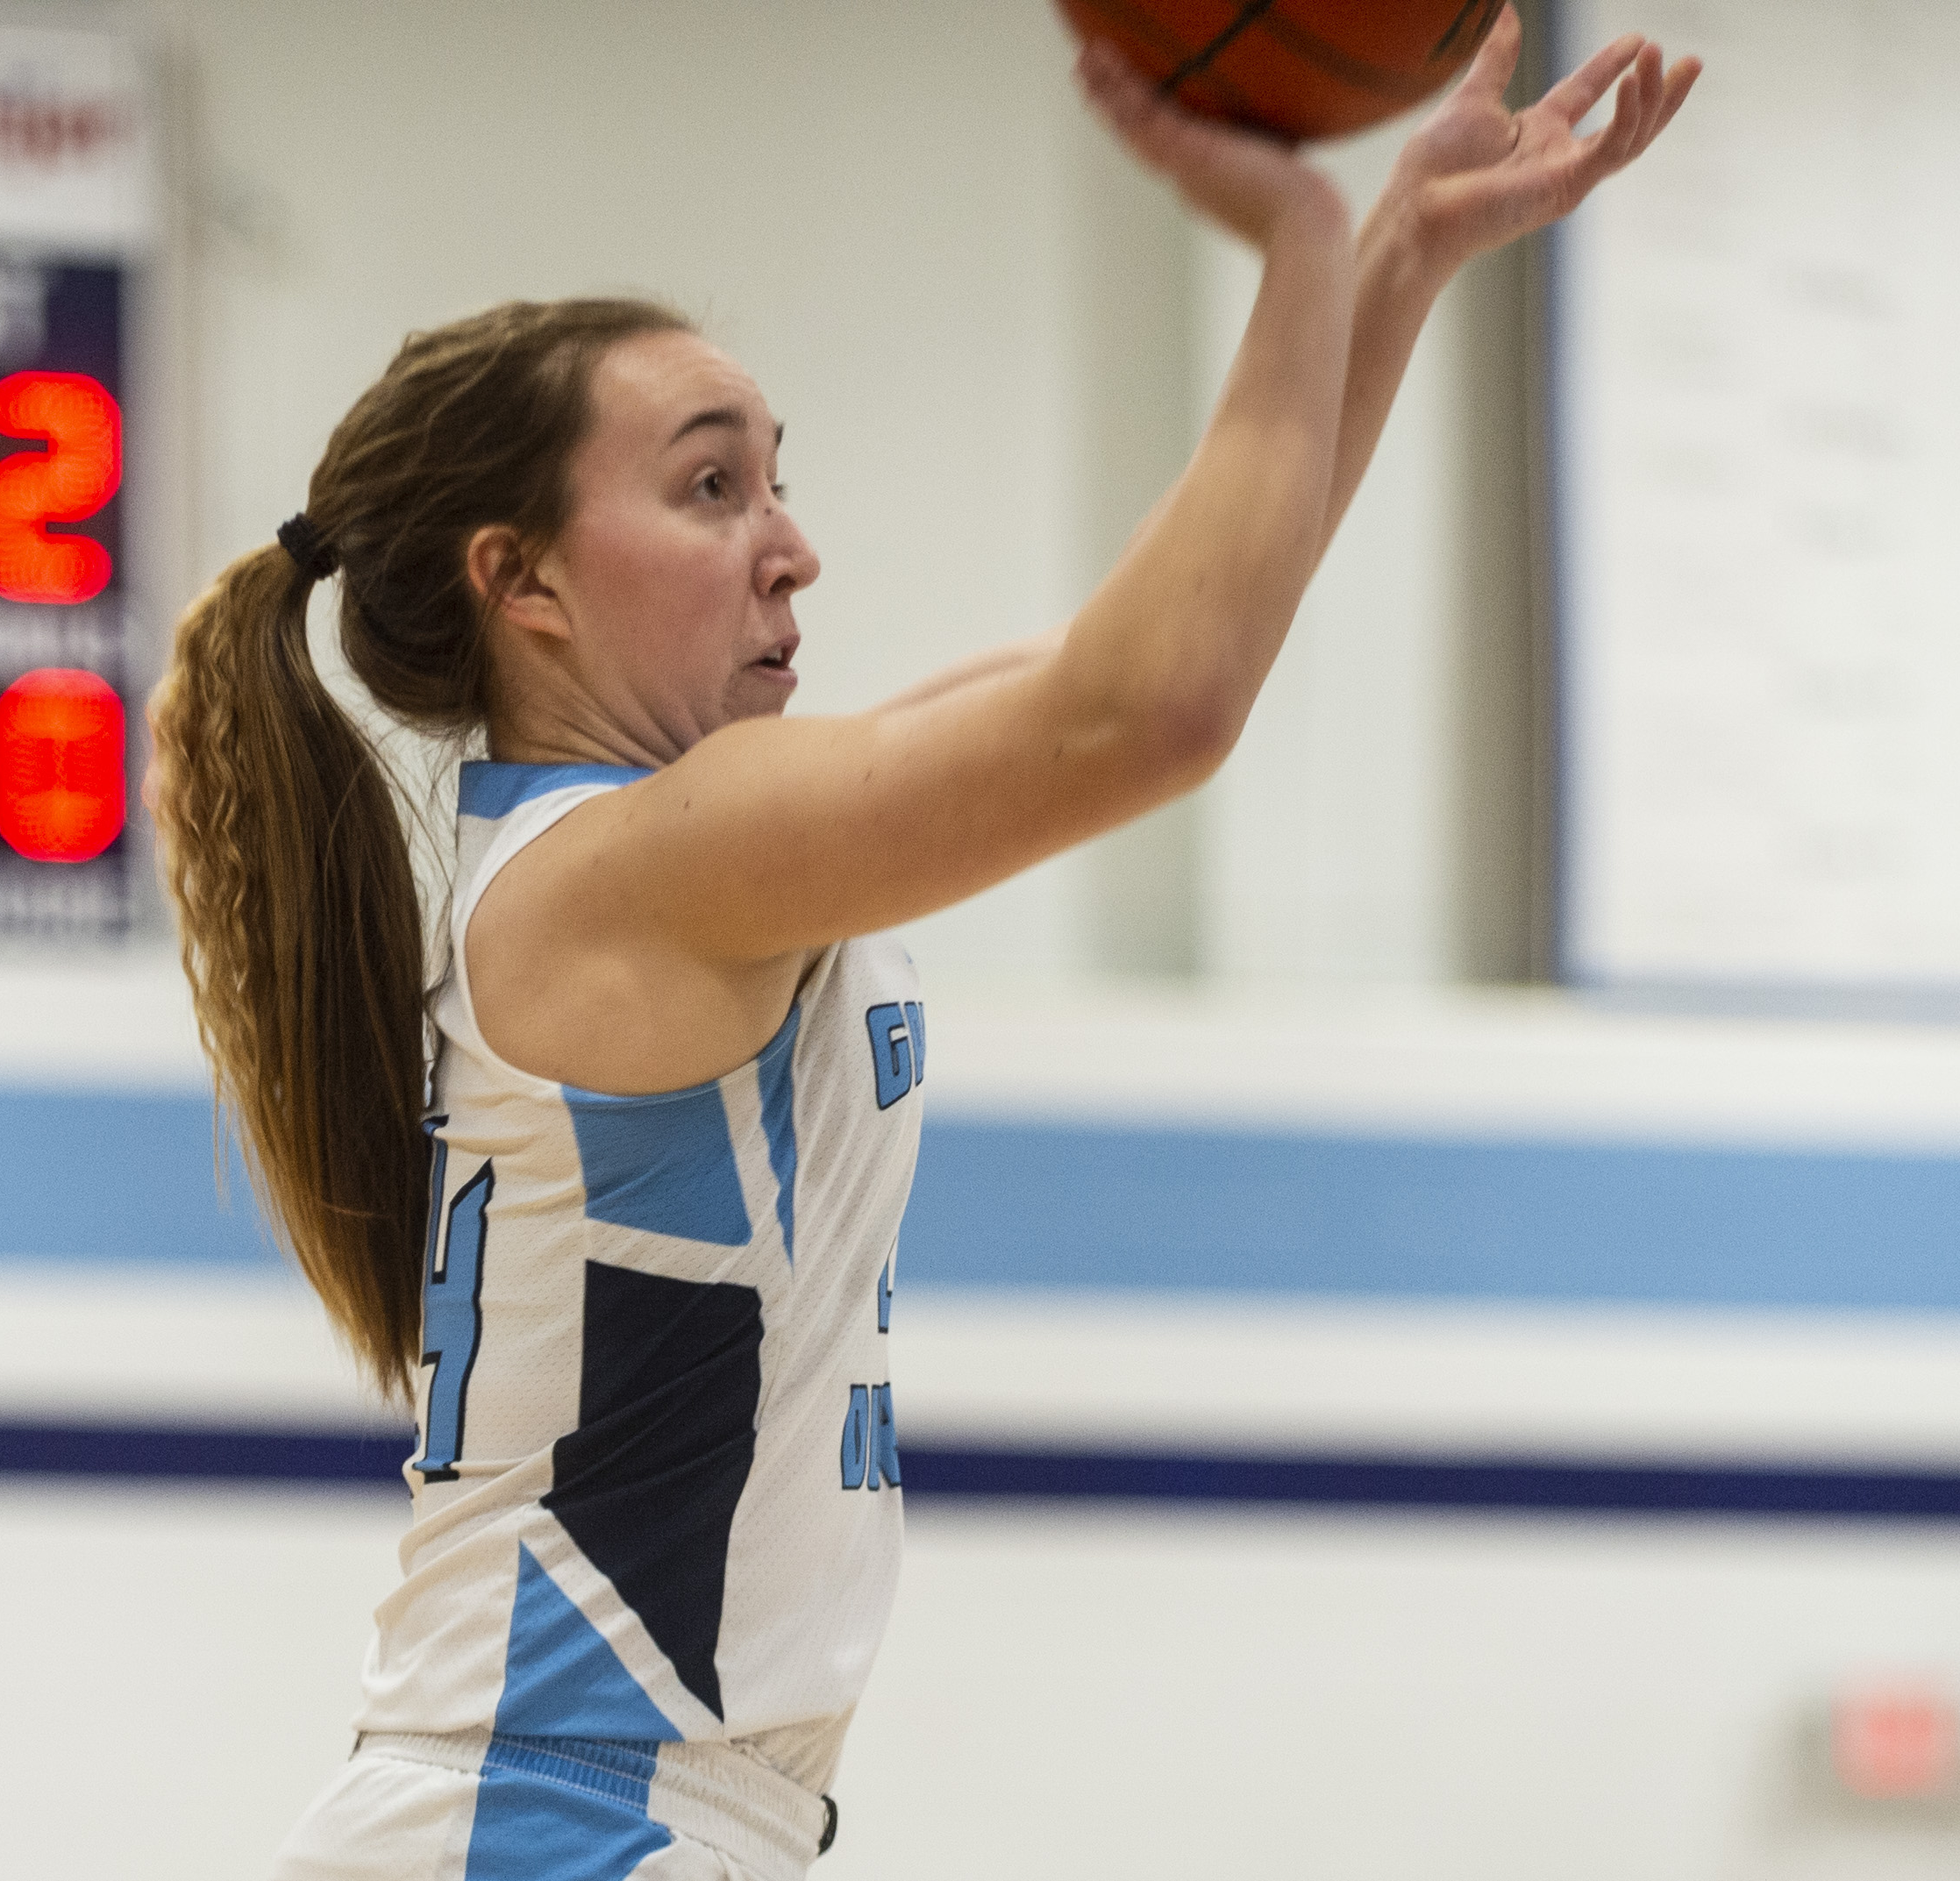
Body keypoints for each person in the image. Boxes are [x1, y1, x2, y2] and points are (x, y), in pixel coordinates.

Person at [149, 12, 1696, 1878]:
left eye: (776, 478)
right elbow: (1153, 712)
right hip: (544, 1819)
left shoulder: (692, 853)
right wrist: (1296, 240)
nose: (793, 544)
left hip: (602, 1816)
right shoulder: (641, 859)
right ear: (524, 580)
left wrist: (1392, 260)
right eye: (714, 486)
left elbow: (1153, 646)